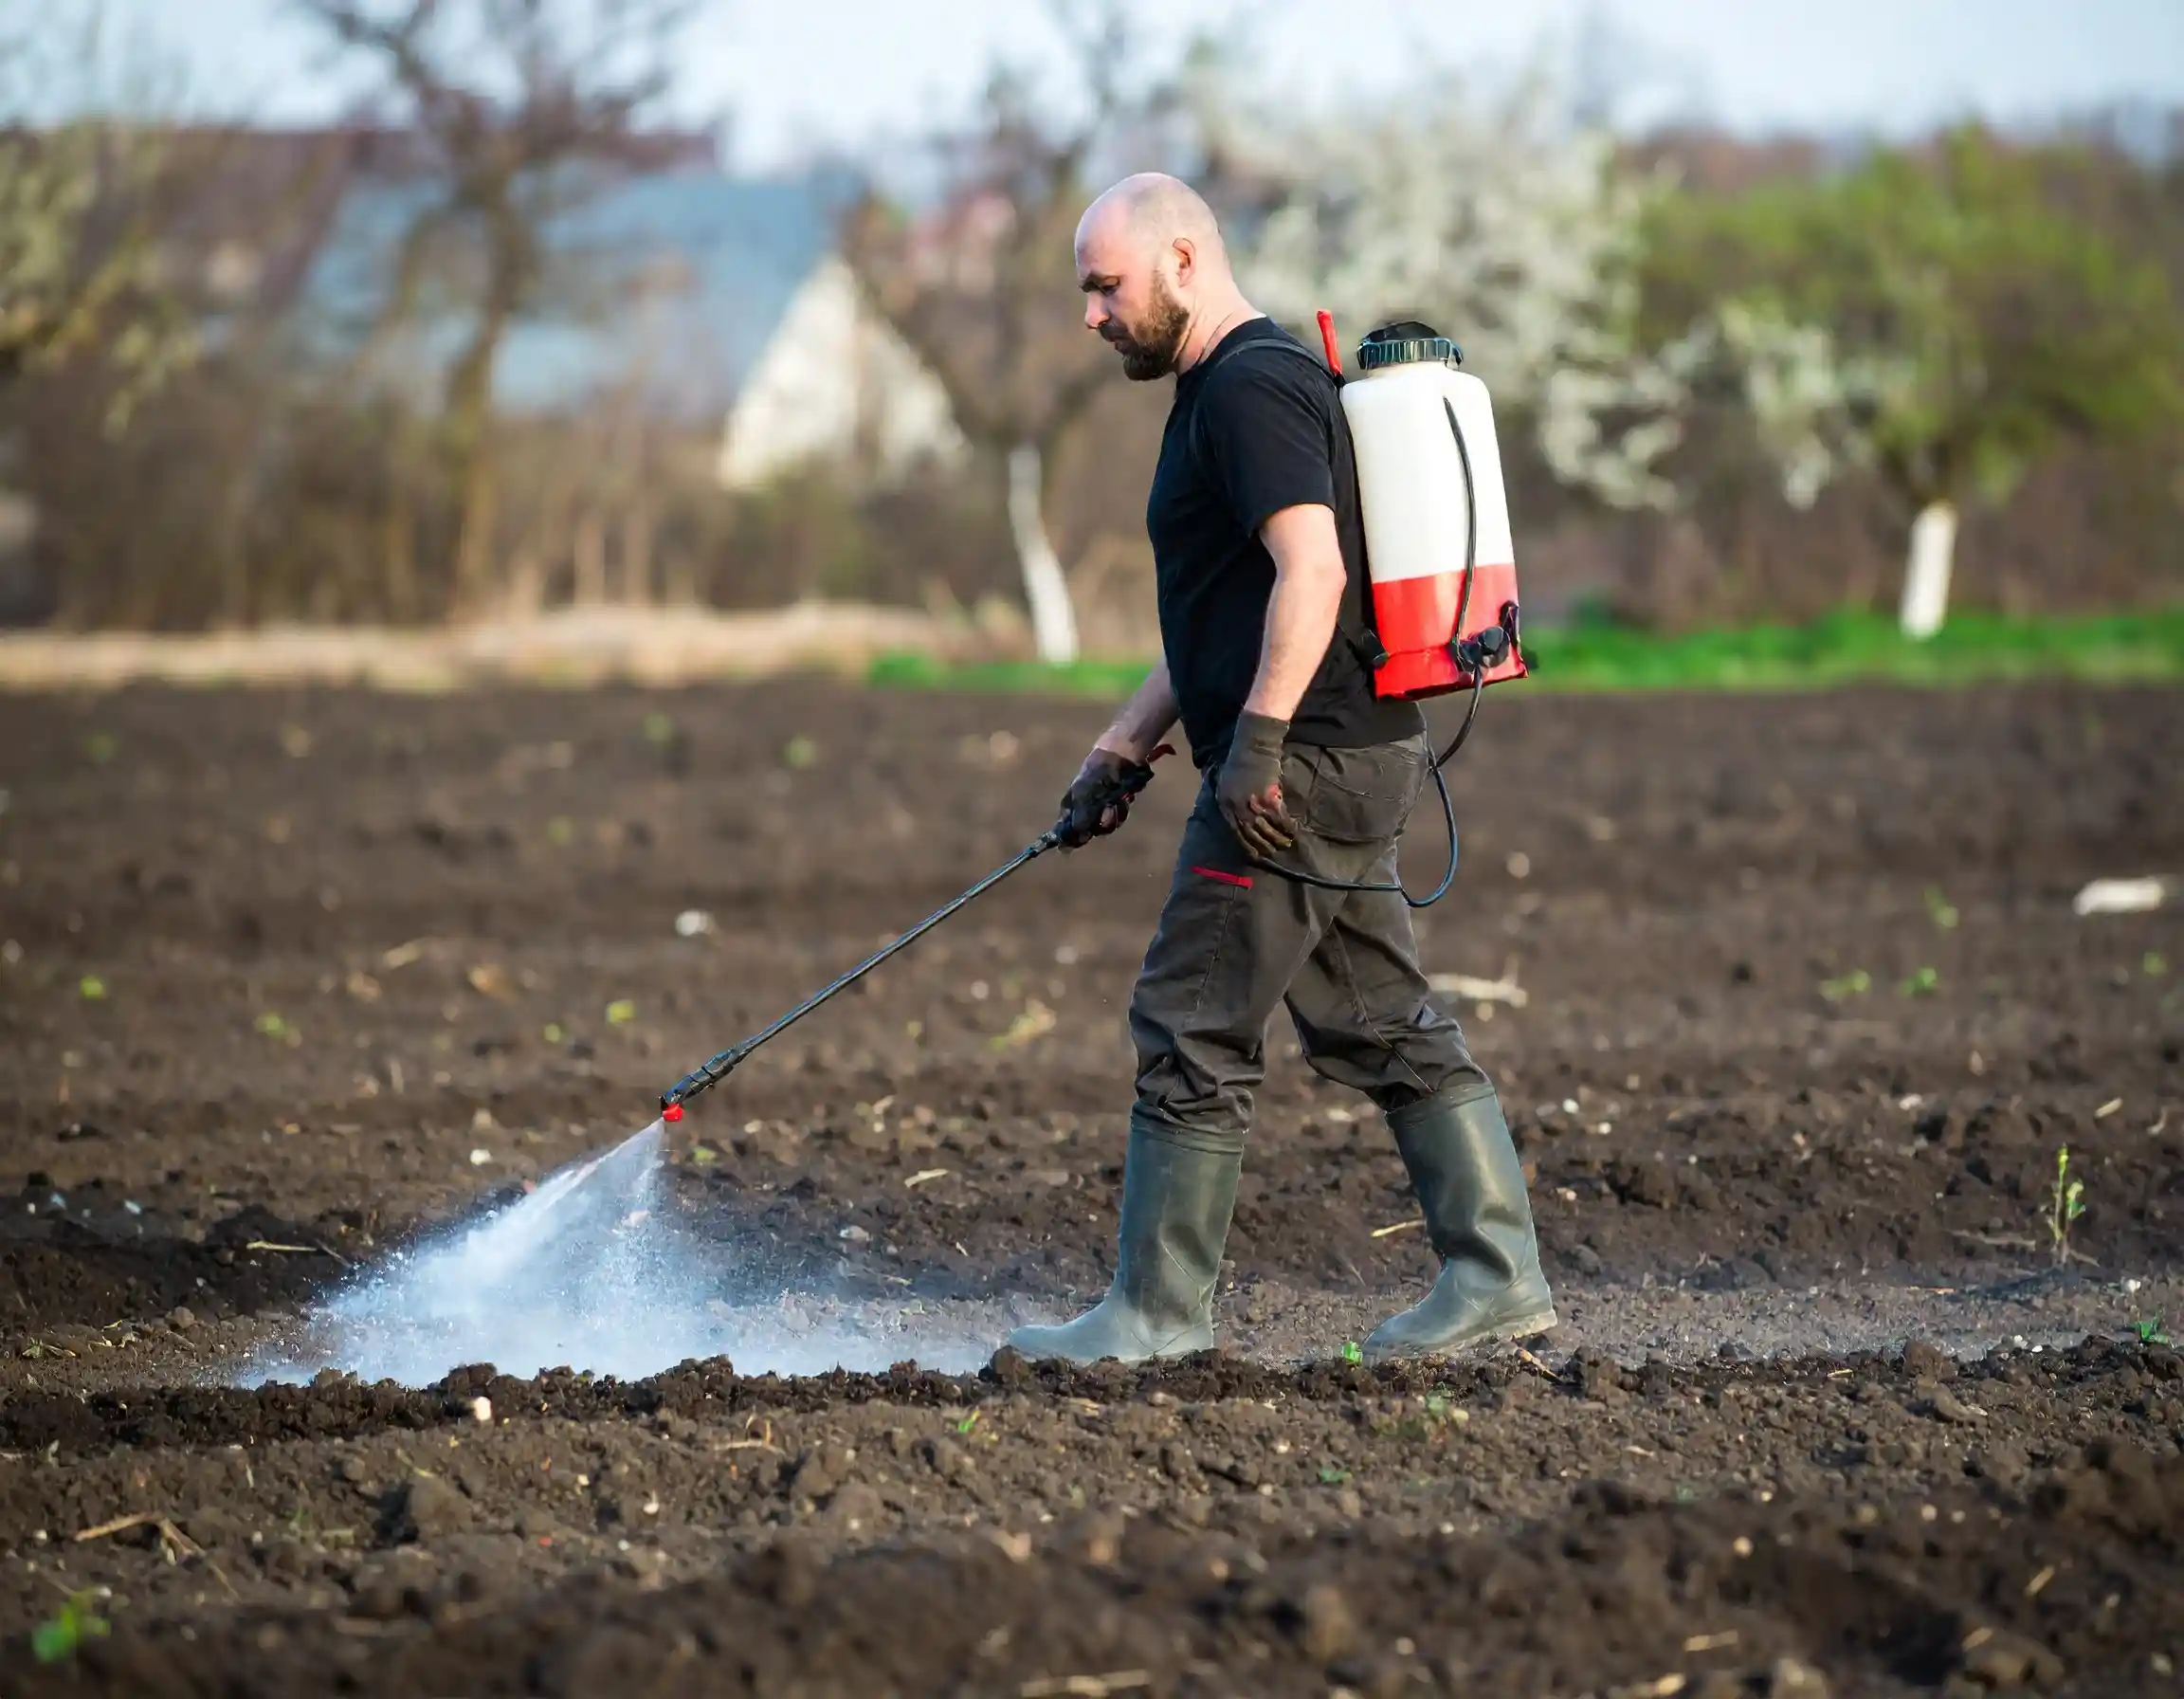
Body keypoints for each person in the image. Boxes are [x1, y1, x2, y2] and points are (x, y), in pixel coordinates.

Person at [1002, 174, 1556, 1366]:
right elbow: (1227, 605)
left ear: (1186, 260)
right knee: (1376, 1017)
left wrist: (1250, 746)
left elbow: (1312, 576)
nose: (1093, 314)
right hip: (1344, 758)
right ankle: (1497, 1269)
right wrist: (1125, 741)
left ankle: (1153, 1316)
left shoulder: (1248, 388)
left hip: (1297, 767)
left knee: (1191, 1020)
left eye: (1108, 285)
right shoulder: (1231, 388)